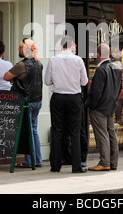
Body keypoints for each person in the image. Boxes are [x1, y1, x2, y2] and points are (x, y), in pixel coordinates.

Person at [44, 36, 88, 173]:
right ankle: (76, 166)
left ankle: (55, 166)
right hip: (74, 98)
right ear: (72, 46)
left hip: (57, 97)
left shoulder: (53, 59)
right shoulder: (78, 60)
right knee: (75, 132)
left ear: (61, 46)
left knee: (57, 132)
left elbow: (47, 81)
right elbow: (84, 82)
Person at [4, 38, 43, 168]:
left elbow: (6, 76)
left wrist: (15, 78)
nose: (19, 49)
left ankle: (29, 160)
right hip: (37, 100)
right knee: (33, 129)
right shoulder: (39, 63)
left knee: (28, 131)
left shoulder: (21, 65)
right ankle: (37, 159)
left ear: (26, 49)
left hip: (27, 101)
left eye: (21, 47)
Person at [85, 43, 123, 171]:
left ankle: (104, 162)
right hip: (111, 106)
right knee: (111, 133)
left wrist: (92, 106)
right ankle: (113, 162)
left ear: (98, 55)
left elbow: (96, 92)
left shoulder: (101, 70)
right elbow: (119, 89)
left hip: (100, 108)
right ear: (110, 52)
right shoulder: (117, 68)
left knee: (102, 135)